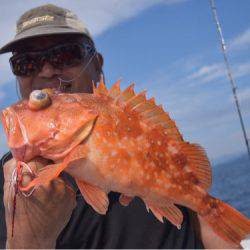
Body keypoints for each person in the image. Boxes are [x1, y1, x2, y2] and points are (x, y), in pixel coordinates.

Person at [0, 4, 241, 249]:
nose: (48, 70)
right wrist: (29, 240)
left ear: (96, 64)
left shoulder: (147, 134)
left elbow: (201, 212)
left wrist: (209, 208)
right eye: (26, 62)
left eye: (65, 54)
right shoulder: (6, 182)